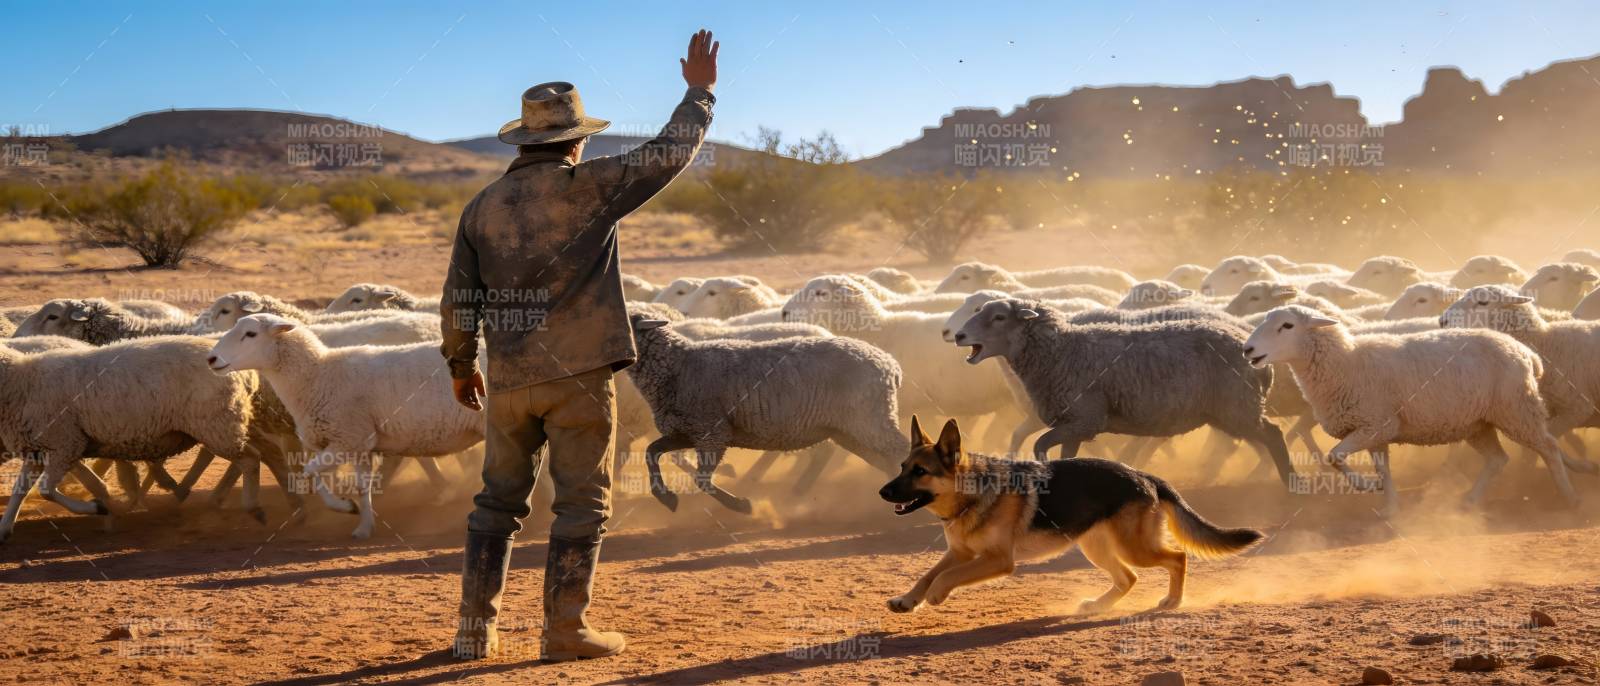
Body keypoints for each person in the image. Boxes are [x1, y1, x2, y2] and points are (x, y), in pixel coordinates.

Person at [440, 29, 718, 662]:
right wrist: (699, 92)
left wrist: (460, 364)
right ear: (577, 139)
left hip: (507, 377)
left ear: (524, 140)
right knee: (582, 505)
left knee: (495, 503)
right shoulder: (591, 186)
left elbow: (458, 296)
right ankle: (565, 631)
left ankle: (473, 632)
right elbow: (670, 152)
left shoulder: (480, 208)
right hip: (580, 374)